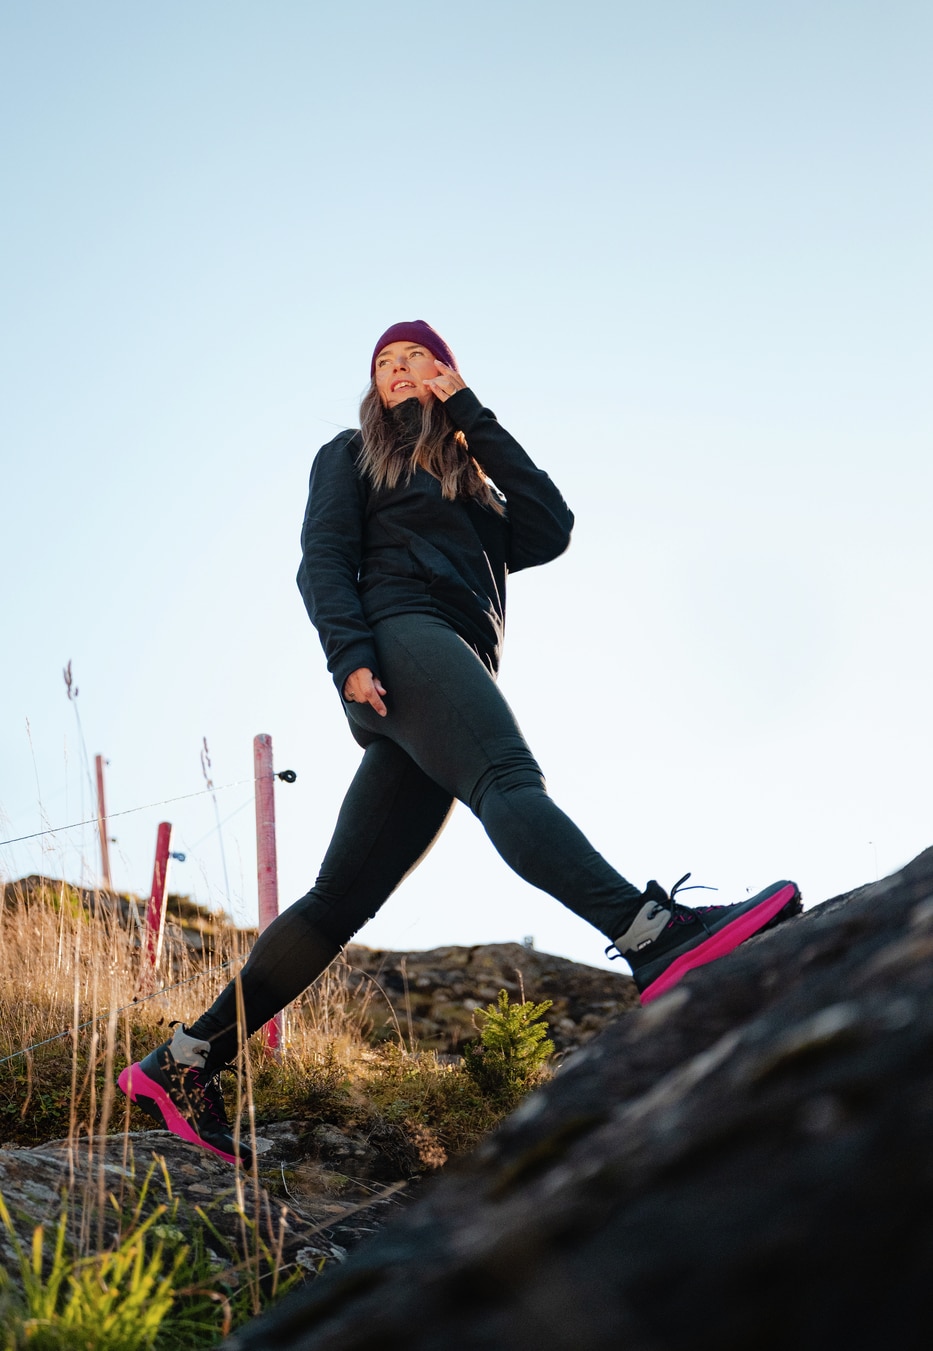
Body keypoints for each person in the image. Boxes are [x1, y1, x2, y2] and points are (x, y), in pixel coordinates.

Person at [119, 320, 801, 1166]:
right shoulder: (350, 454)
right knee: (506, 778)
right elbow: (320, 558)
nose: (399, 370)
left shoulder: (470, 480)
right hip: (400, 640)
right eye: (385, 362)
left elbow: (550, 525)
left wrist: (471, 413)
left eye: (417, 358)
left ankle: (184, 1060)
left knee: (338, 901)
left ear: (445, 371)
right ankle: (652, 936)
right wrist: (349, 654)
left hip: (448, 664)